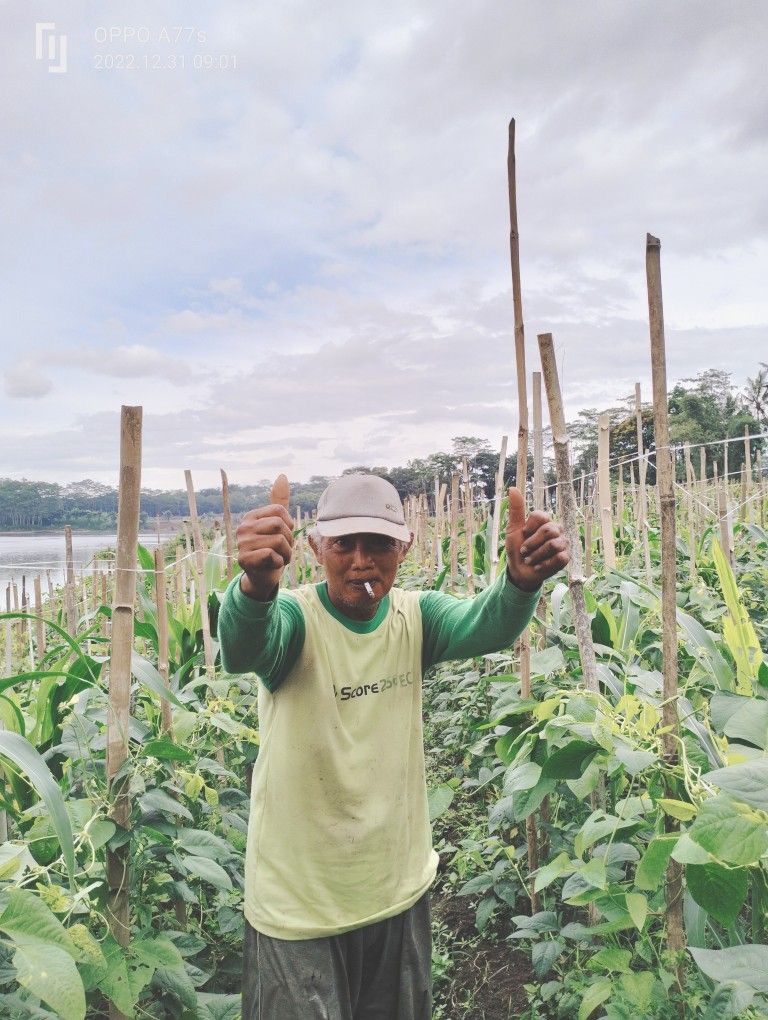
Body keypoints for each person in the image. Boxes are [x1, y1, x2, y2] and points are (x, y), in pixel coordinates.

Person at [217, 473, 569, 1020]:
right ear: (315, 548)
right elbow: (243, 648)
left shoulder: (416, 617)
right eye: (344, 543)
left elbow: (486, 625)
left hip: (395, 895)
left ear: (404, 548)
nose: (362, 560)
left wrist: (519, 586)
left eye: (379, 543)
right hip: (299, 910)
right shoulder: (294, 619)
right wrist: (256, 589)